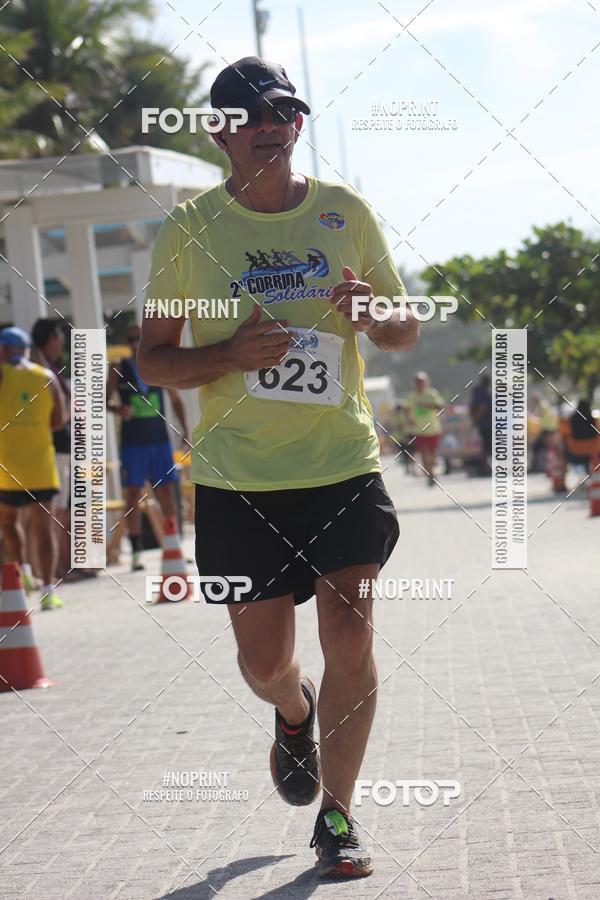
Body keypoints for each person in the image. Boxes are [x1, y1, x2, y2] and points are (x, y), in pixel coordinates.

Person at [137, 56, 419, 879]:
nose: (272, 123)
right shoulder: (188, 228)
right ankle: (292, 713)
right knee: (265, 664)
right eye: (252, 113)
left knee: (352, 633)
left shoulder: (344, 212)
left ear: (298, 125)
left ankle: (338, 814)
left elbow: (401, 325)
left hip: (340, 462)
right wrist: (226, 354)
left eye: (285, 111)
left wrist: (377, 315)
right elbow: (152, 361)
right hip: (236, 479)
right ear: (221, 129)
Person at [106, 323, 189, 571]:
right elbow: (103, 400)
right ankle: (136, 552)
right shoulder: (119, 367)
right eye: (130, 339)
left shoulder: (158, 364)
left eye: (138, 338)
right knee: (133, 495)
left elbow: (176, 399)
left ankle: (174, 545)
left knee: (166, 493)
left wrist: (185, 431)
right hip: (133, 443)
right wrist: (118, 409)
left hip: (159, 441)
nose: (134, 343)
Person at [0, 327, 66, 609]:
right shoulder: (47, 377)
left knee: (9, 522)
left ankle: (24, 571)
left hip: (7, 463)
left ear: (3, 350)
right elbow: (59, 421)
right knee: (44, 528)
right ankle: (48, 590)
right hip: (40, 463)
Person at [30, 318, 73, 581]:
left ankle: (61, 568)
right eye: (59, 334)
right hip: (52, 450)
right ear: (49, 338)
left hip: (62, 450)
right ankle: (52, 571)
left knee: (60, 512)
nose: (63, 340)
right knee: (52, 514)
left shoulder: (51, 368)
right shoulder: (41, 370)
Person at [406, 372, 444, 485]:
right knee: (422, 453)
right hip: (419, 430)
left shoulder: (432, 394)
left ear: (426, 382)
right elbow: (408, 411)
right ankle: (429, 474)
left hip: (433, 429)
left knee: (432, 454)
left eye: (422, 382)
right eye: (417, 382)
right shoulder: (411, 397)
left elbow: (440, 407)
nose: (419, 384)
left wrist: (426, 405)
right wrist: (409, 420)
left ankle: (431, 471)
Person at [470, 373, 493, 476]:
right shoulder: (485, 392)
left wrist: (474, 419)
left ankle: (483, 466)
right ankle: (484, 467)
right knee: (487, 446)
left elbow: (472, 405)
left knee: (485, 445)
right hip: (487, 423)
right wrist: (476, 418)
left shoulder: (477, 391)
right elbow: (482, 407)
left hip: (483, 423)